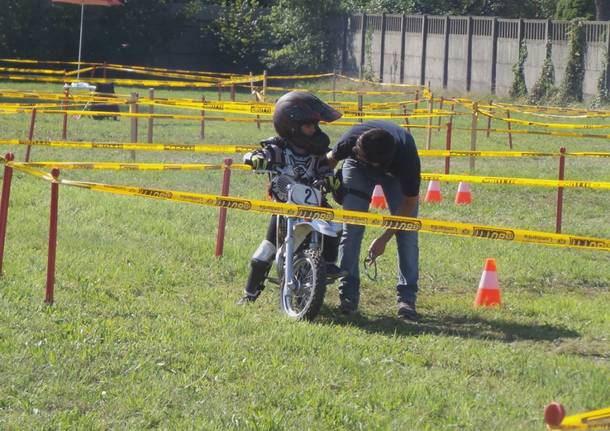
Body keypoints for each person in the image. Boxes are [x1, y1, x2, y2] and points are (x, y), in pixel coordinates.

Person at [237, 91, 344, 304]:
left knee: (335, 226)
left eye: (315, 125)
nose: (314, 130)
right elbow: (258, 154)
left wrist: (331, 181)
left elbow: (326, 173)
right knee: (264, 253)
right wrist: (255, 158)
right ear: (291, 126)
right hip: (286, 206)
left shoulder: (318, 153)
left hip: (314, 203)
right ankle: (249, 294)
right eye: (308, 126)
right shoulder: (279, 148)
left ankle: (329, 263)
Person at [326, 120, 421, 320]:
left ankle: (407, 298)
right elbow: (330, 160)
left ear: (376, 163)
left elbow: (409, 204)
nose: (355, 150)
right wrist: (325, 182)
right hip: (357, 170)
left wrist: (384, 239)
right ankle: (348, 294)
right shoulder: (352, 141)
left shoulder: (407, 160)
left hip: (392, 174)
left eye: (359, 153)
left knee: (407, 234)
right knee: (352, 228)